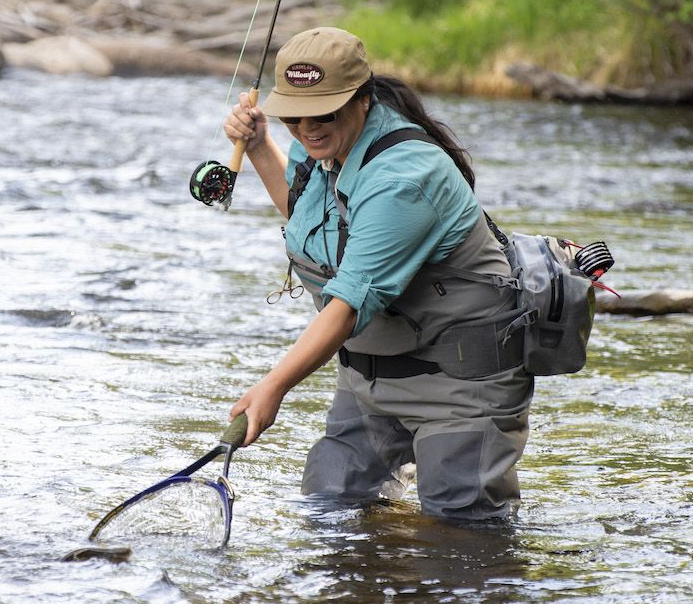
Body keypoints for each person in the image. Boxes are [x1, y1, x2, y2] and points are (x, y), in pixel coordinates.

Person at [223, 26, 533, 521]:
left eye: (323, 113)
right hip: (369, 380)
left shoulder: (402, 180)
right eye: (293, 116)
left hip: (459, 387)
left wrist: (272, 387)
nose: (307, 128)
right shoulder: (317, 146)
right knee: (330, 509)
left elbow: (346, 307)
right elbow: (309, 218)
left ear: (362, 100)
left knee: (463, 540)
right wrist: (261, 145)